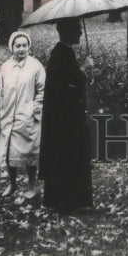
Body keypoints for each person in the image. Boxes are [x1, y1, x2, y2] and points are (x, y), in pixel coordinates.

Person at [39, 18, 94, 214]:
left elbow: (70, 82)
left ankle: (72, 199)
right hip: (65, 120)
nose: (80, 33)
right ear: (69, 31)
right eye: (78, 29)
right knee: (68, 156)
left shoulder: (65, 52)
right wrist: (84, 68)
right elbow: (64, 86)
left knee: (71, 155)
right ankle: (69, 200)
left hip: (68, 117)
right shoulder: (60, 54)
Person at [0, 30, 45, 199]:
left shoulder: (35, 66)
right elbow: (1, 91)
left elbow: (42, 90)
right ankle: (12, 184)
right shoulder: (5, 67)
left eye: (24, 45)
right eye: (18, 46)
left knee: (29, 153)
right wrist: (2, 111)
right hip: (9, 116)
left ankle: (32, 186)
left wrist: (35, 109)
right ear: (12, 47)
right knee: (10, 153)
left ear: (29, 47)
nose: (21, 49)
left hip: (28, 117)